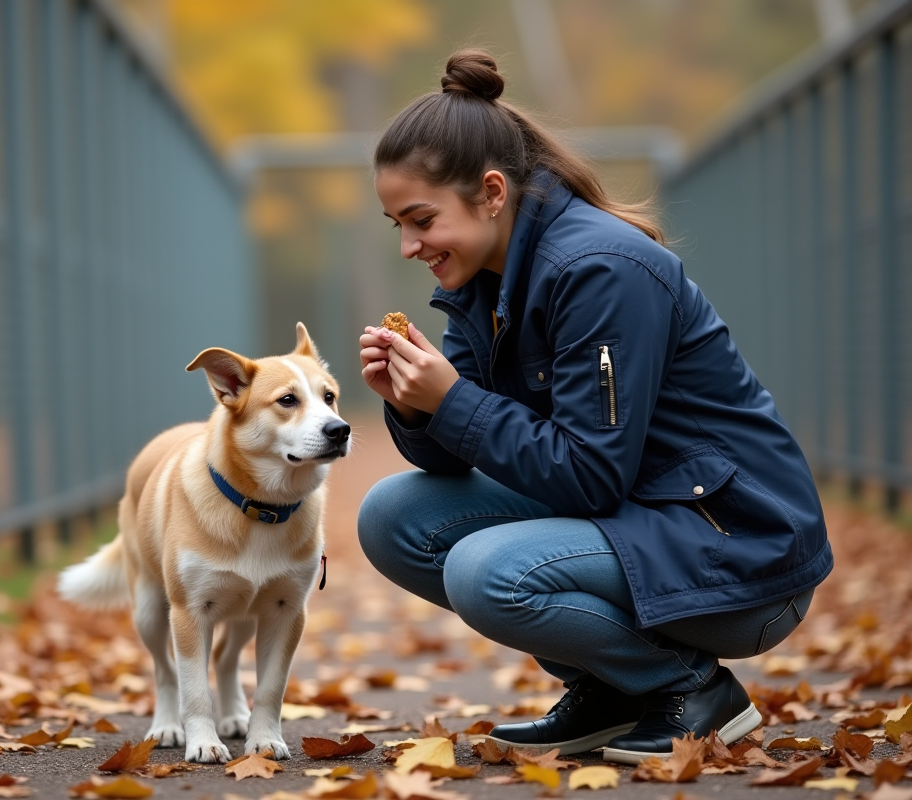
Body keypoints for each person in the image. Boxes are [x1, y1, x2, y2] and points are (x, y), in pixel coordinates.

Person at [356, 50, 832, 765]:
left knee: (487, 572)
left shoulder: (599, 269)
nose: (407, 245)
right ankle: (614, 689)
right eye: (396, 223)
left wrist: (451, 400)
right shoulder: (479, 277)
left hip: (738, 550)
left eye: (420, 220)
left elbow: (588, 475)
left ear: (491, 192)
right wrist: (419, 409)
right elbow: (460, 454)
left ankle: (692, 689)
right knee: (392, 517)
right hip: (638, 522)